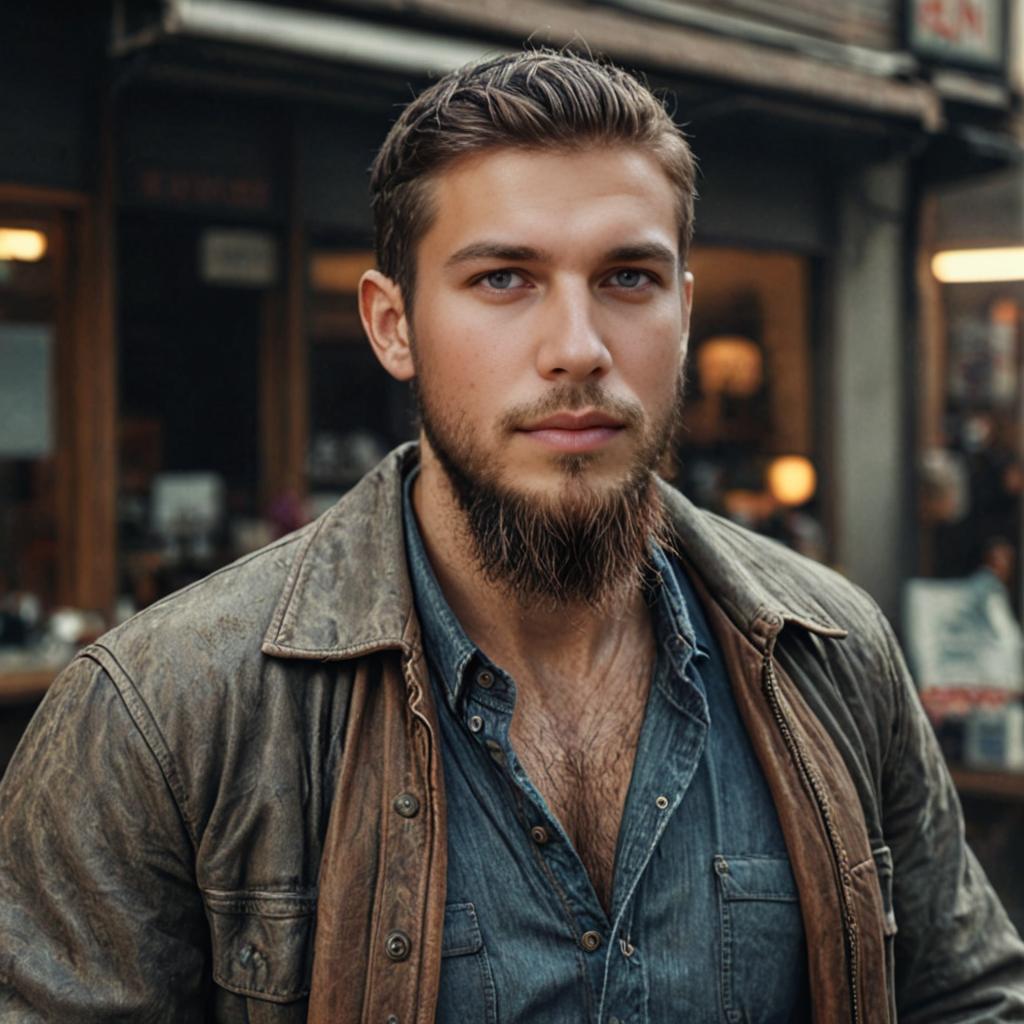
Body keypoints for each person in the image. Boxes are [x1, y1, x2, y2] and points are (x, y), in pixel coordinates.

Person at [1, 49, 1023, 1024]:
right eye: (503, 279)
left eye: (628, 277)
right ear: (391, 325)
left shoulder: (831, 653)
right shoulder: (158, 716)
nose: (576, 348)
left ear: (681, 311)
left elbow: (967, 998)